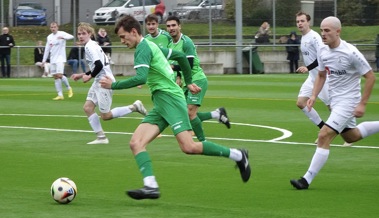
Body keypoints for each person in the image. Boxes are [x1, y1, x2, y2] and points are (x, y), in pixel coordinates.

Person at [99, 15, 251, 200]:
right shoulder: (150, 45)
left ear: (133, 32)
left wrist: (112, 85)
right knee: (136, 143)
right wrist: (188, 82)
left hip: (170, 98)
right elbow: (179, 56)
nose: (122, 41)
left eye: (123, 37)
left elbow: (141, 78)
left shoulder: (142, 48)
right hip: (162, 101)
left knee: (189, 146)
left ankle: (238, 155)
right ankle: (151, 186)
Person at [290, 16, 379, 190]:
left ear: (338, 32)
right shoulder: (323, 51)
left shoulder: (350, 52)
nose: (323, 34)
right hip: (336, 100)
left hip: (348, 101)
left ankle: (306, 180)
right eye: (322, 30)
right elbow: (321, 75)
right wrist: (314, 96)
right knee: (351, 136)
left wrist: (362, 104)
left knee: (324, 135)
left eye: (327, 30)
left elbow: (370, 76)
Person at [71, 22, 147, 145]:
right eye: (79, 34)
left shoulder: (90, 46)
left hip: (104, 81)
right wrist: (82, 75)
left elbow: (99, 65)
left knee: (105, 115)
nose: (80, 36)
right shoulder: (93, 45)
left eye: (83, 33)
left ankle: (134, 107)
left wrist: (89, 76)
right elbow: (98, 64)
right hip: (99, 79)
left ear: (89, 34)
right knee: (88, 108)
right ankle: (101, 137)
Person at [166, 15, 230, 142]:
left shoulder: (186, 42)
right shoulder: (170, 44)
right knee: (184, 113)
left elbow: (188, 65)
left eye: (173, 25)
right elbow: (178, 62)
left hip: (197, 79)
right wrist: (178, 76)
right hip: (186, 82)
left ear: (179, 26)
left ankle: (203, 142)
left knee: (190, 113)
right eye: (168, 26)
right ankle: (216, 114)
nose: (171, 28)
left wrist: (173, 67)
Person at [42, 22, 74, 100]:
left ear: (57, 27)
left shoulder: (62, 33)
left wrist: (63, 38)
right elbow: (47, 49)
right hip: (53, 59)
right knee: (55, 77)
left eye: (54, 27)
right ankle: (60, 95)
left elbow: (71, 36)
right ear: (50, 28)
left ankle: (69, 88)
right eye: (52, 27)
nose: (53, 28)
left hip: (60, 58)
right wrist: (44, 60)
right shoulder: (49, 37)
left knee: (59, 75)